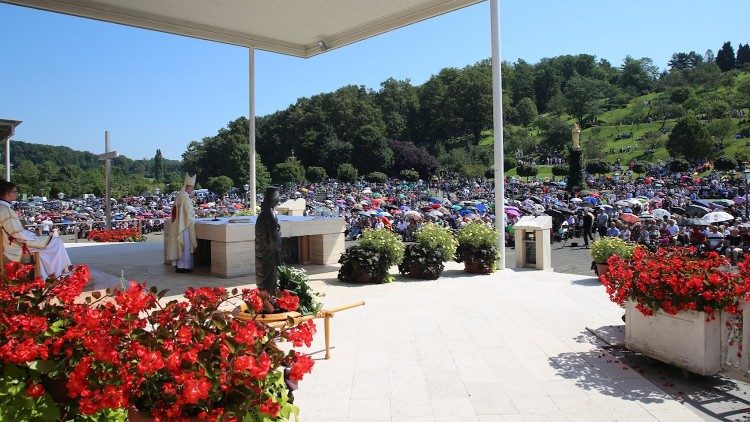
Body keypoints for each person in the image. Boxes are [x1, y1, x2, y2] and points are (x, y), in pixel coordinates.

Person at [0, 181, 71, 279]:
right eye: (15, 191)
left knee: (45, 248)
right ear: (8, 193)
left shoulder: (3, 208)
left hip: (10, 243)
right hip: (15, 246)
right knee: (56, 241)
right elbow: (16, 233)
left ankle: (45, 275)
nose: (17, 194)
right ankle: (61, 273)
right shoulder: (5, 210)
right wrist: (33, 236)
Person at [167, 173, 197, 273]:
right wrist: (195, 212)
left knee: (180, 245)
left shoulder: (180, 195)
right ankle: (183, 266)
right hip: (184, 225)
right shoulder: (185, 197)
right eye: (191, 187)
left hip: (179, 224)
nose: (192, 190)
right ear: (188, 186)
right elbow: (188, 212)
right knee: (185, 245)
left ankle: (178, 265)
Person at [255, 187, 281, 295]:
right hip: (269, 254)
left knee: (263, 280)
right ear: (275, 200)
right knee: (270, 282)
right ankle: (269, 303)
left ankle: (263, 302)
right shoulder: (271, 214)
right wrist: (278, 254)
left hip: (261, 253)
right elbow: (274, 238)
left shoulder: (262, 214)